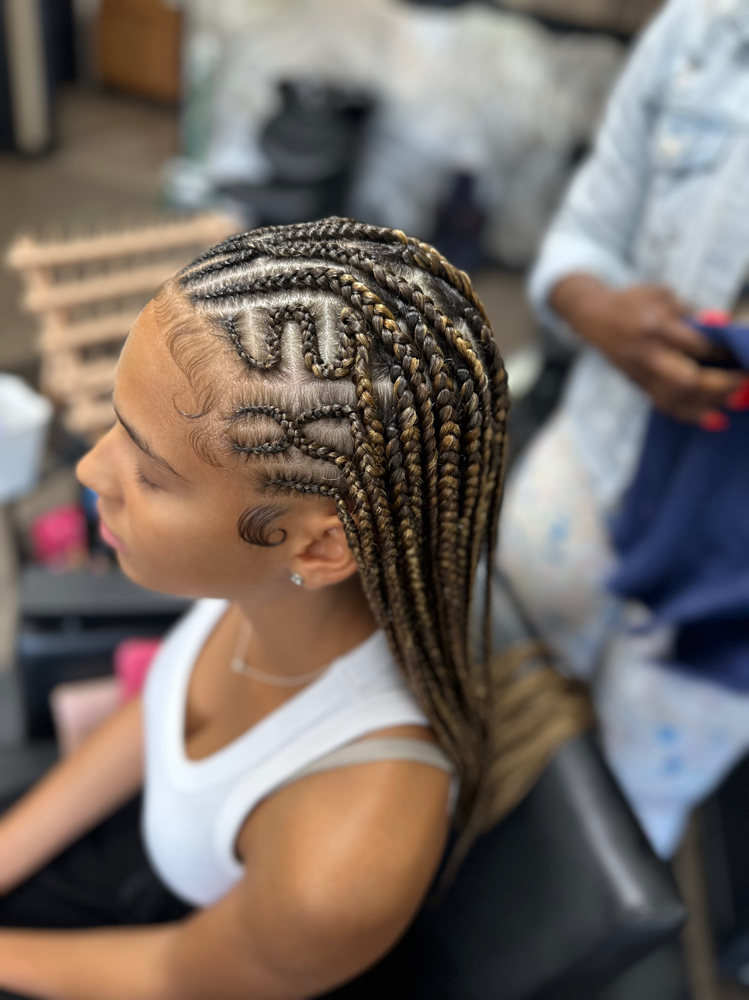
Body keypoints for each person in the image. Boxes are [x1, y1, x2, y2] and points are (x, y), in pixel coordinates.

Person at [0, 219, 582, 1000]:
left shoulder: (342, 859)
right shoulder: (271, 587)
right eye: (118, 423)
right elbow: (158, 714)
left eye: (152, 474)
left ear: (319, 549)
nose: (91, 467)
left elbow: (174, 972)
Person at [499, 0, 749, 860]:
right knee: (475, 717)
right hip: (587, 475)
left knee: (615, 835)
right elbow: (583, 236)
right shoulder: (702, 36)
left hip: (729, 589)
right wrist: (599, 311)